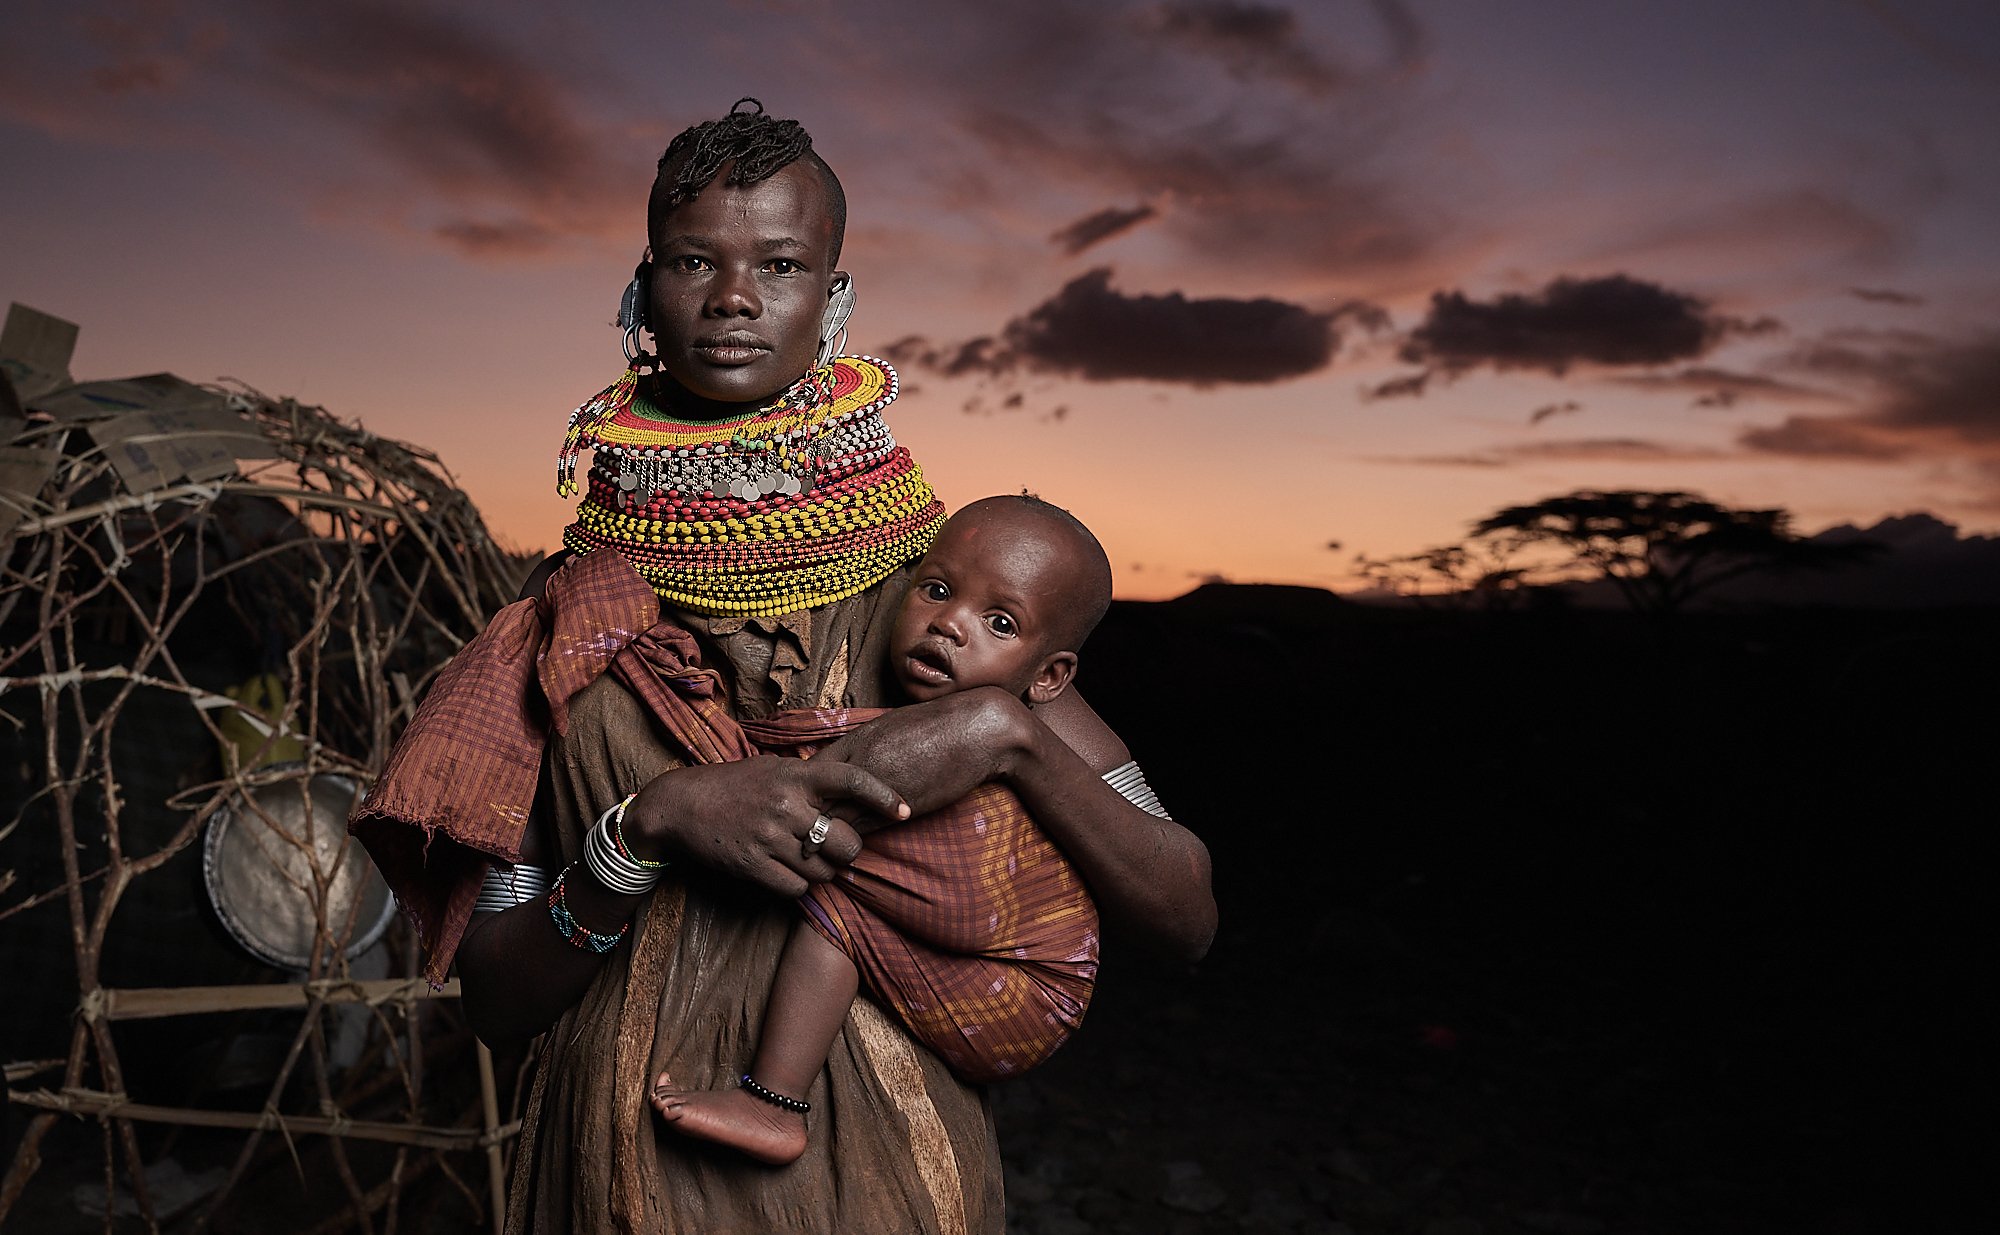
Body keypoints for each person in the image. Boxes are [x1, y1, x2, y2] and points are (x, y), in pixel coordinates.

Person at [351, 100, 1214, 1234]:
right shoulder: (555, 625)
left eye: (781, 264)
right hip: (622, 1176)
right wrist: (647, 826)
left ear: (834, 300)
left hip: (887, 1179)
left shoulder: (932, 595)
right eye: (694, 261)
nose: (734, 299)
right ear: (638, 291)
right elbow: (499, 1001)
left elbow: (1182, 910)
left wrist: (1007, 737)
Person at [650, 493, 1140, 1166]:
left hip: (1026, 990)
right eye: (936, 591)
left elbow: (791, 769)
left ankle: (774, 1101)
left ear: (1050, 676)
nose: (949, 625)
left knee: (829, 879)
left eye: (999, 622)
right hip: (993, 982)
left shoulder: (1005, 747)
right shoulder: (907, 694)